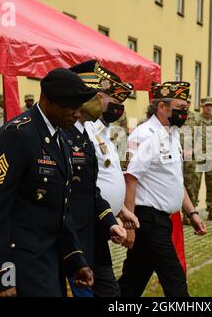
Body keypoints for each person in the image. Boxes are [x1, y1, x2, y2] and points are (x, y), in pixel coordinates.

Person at [0, 68, 97, 297]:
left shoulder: (60, 137)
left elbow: (59, 208)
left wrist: (75, 258)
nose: (76, 114)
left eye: (79, 107)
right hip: (18, 262)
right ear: (47, 100)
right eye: (70, 106)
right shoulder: (15, 136)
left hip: (47, 260)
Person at [118, 81, 207, 297]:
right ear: (162, 107)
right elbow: (130, 179)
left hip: (161, 220)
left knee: (132, 281)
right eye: (180, 107)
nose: (184, 112)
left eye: (186, 108)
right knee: (174, 278)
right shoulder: (146, 135)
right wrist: (129, 225)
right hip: (148, 220)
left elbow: (174, 180)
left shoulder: (172, 133)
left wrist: (191, 211)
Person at [65, 60, 133, 297]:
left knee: (110, 291)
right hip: (75, 232)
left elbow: (94, 186)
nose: (107, 104)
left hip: (98, 227)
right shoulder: (68, 133)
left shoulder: (92, 132)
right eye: (103, 97)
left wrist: (117, 214)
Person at [181, 94, 199, 225]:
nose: (186, 104)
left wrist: (193, 150)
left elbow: (201, 138)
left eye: (188, 102)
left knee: (190, 184)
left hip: (190, 157)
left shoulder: (196, 119)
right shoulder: (174, 115)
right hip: (175, 156)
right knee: (175, 183)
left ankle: (189, 214)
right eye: (184, 102)